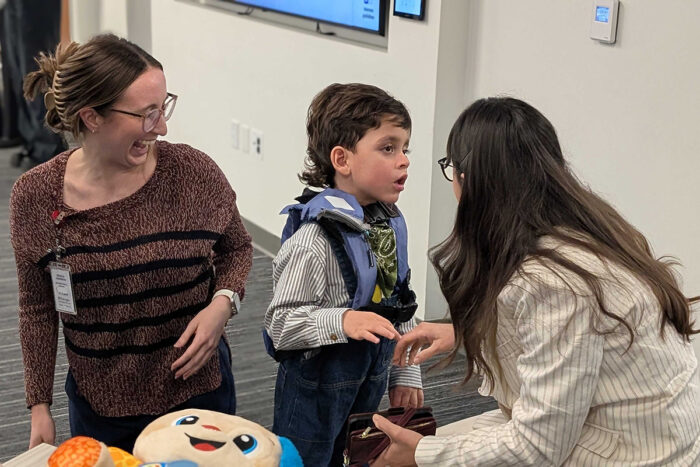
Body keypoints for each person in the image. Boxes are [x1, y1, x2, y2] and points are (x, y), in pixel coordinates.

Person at [371, 97, 700, 465]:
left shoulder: (552, 281)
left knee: (417, 450)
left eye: (452, 168)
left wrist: (421, 456)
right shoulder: (584, 233)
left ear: (470, 180)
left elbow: (537, 446)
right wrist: (466, 334)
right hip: (644, 437)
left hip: (627, 453)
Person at [11, 34, 253, 452]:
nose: (161, 127)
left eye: (163, 107)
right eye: (146, 114)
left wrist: (222, 303)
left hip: (200, 394)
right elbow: (37, 308)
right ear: (91, 117)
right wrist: (39, 405)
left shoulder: (192, 172)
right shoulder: (36, 197)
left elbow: (237, 248)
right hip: (103, 406)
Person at [264, 83, 424, 466]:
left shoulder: (386, 227)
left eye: (405, 148)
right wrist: (344, 320)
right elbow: (280, 325)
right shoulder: (313, 241)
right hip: (314, 391)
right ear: (343, 159)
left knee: (356, 456)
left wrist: (406, 374)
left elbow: (399, 301)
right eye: (388, 148)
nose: (403, 160)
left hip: (369, 382)